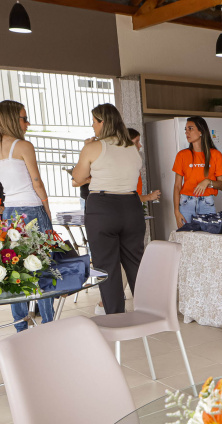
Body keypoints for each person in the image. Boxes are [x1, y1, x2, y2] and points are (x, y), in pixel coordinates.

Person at [0, 100, 55, 332]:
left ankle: (20, 328)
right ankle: (48, 324)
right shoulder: (24, 146)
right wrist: (47, 207)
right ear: (11, 119)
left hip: (8, 213)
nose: (28, 123)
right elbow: (36, 181)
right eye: (24, 118)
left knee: (15, 271)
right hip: (32, 209)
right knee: (43, 268)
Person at [71, 103, 144, 315]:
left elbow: (77, 177)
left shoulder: (93, 147)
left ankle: (115, 316)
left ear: (103, 123)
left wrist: (86, 150)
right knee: (135, 263)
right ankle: (148, 311)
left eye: (94, 121)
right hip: (131, 206)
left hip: (103, 208)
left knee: (107, 266)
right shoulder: (132, 147)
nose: (92, 126)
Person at [172, 117, 222, 228]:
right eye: (185, 129)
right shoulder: (182, 155)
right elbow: (177, 186)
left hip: (207, 203)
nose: (187, 132)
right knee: (186, 239)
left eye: (190, 129)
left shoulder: (216, 155)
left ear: (201, 131)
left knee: (208, 240)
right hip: (186, 203)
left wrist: (208, 182)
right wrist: (176, 212)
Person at [128, 128, 161, 203]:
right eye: (137, 142)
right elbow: (128, 196)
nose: (140, 145)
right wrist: (149, 196)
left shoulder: (133, 163)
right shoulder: (125, 166)